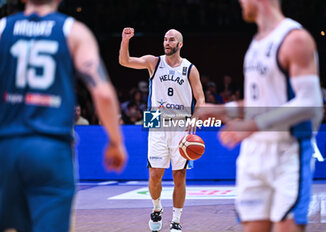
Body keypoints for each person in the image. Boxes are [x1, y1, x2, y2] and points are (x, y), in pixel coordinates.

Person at [0, 0, 127, 231]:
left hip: (6, 147)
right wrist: (115, 142)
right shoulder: (73, 31)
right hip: (51, 148)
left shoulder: (2, 29)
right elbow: (103, 93)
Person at [196, 0, 323, 231]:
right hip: (254, 155)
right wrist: (223, 109)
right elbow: (261, 102)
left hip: (288, 152)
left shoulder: (295, 39)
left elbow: (310, 103)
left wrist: (253, 125)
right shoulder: (255, 44)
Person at [119, 27, 205, 232]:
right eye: (165, 39)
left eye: (171, 40)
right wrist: (125, 40)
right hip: (156, 121)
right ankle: (157, 208)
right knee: (155, 174)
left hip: (181, 125)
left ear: (180, 44)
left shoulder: (189, 68)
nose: (167, 42)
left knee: (179, 176)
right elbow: (125, 61)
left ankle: (176, 220)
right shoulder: (153, 62)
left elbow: (200, 97)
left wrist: (196, 117)